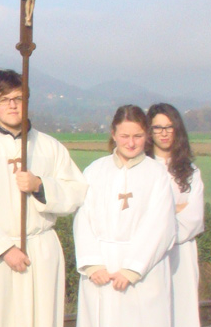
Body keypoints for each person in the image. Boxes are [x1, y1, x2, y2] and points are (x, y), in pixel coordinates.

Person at [0, 70, 87, 327]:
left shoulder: (50, 147)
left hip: (40, 249)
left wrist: (41, 186)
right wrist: (4, 249)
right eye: (4, 99)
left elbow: (76, 191)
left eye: (18, 97)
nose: (12, 105)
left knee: (41, 318)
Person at [74, 105, 176, 327]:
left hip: (143, 271)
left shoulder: (156, 174)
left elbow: (160, 225)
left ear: (147, 135)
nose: (131, 143)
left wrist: (133, 268)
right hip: (101, 269)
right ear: (113, 134)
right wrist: (92, 264)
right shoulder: (95, 170)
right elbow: (83, 219)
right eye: (125, 136)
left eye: (138, 136)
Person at [147, 103, 204, 327]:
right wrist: (175, 209)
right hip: (149, 252)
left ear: (177, 130)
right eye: (157, 128)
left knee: (183, 311)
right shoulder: (143, 170)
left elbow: (194, 219)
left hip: (182, 252)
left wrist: (161, 219)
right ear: (149, 132)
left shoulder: (191, 172)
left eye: (169, 127)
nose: (164, 133)